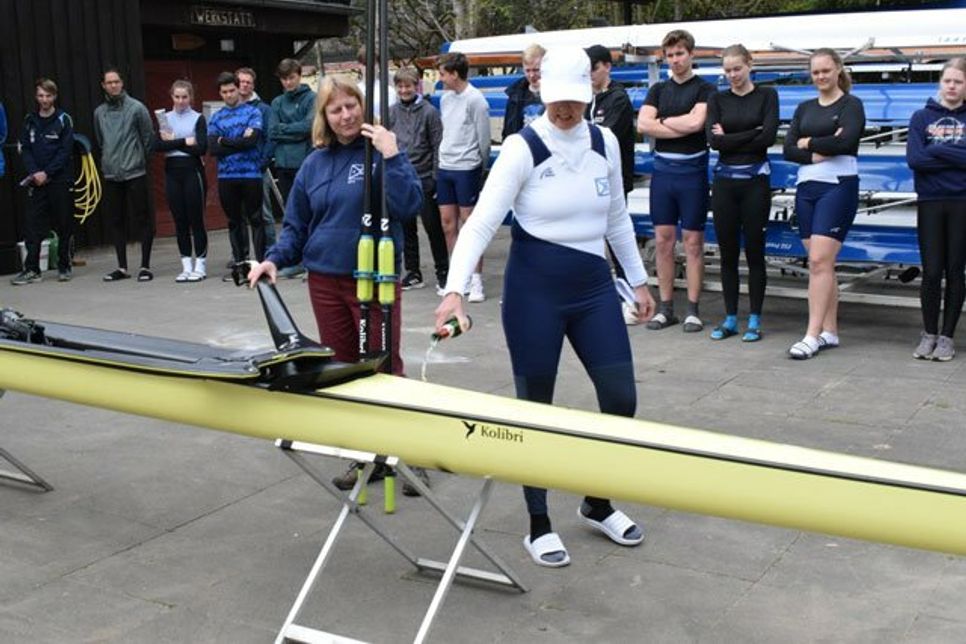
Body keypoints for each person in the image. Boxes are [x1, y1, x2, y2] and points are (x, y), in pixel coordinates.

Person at [434, 46, 656, 568]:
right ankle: (538, 523)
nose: (566, 110)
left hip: (593, 290)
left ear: (589, 94)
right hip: (534, 294)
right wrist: (454, 290)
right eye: (557, 100)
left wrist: (639, 282)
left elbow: (617, 217)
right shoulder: (522, 147)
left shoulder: (604, 141)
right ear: (541, 91)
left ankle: (597, 501)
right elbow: (480, 224)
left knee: (621, 399)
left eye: (575, 100)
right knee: (535, 410)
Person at [246, 76, 422, 490]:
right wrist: (273, 259)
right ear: (324, 117)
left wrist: (393, 155)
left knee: (384, 368)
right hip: (325, 279)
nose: (346, 116)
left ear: (362, 106)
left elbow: (409, 205)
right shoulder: (314, 164)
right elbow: (296, 226)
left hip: (374, 278)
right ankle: (365, 455)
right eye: (336, 109)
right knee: (343, 369)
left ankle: (406, 455)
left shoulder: (381, 151)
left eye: (351, 106)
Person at [783, 48, 866, 359]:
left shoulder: (851, 105)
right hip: (806, 187)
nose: (820, 76)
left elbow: (847, 141)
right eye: (815, 72)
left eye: (826, 71)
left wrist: (809, 143)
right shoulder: (804, 107)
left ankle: (811, 335)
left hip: (838, 186)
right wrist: (821, 149)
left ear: (838, 69)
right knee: (821, 263)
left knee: (819, 261)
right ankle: (830, 331)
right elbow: (788, 149)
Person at [637, 30, 715, 333]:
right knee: (663, 241)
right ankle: (666, 307)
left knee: (693, 243)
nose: (675, 60)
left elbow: (696, 123)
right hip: (664, 174)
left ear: (691, 54)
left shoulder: (705, 88)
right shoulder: (658, 90)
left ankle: (693, 310)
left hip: (692, 174)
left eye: (680, 54)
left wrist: (662, 123)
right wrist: (675, 124)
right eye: (670, 55)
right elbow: (643, 124)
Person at [706, 45, 779, 342]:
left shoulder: (767, 95)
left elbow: (768, 137)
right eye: (727, 70)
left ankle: (755, 318)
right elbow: (714, 142)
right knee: (727, 253)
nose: (733, 75)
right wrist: (752, 133)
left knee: (755, 251)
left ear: (750, 65)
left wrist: (731, 137)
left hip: (755, 182)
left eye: (737, 69)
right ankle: (731, 318)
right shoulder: (717, 98)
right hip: (725, 183)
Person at [906, 57, 966, 362]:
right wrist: (956, 155)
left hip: (962, 202)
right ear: (940, 83)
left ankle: (947, 337)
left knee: (955, 270)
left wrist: (937, 148)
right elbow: (916, 159)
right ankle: (929, 333)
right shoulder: (921, 117)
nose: (952, 86)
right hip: (930, 201)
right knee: (931, 271)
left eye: (958, 81)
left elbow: (927, 154)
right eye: (947, 81)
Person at [436, 51, 491, 302]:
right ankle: (459, 277)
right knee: (448, 224)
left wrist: (479, 167)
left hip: (467, 167)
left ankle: (476, 278)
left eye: (443, 74)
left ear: (455, 74)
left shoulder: (476, 100)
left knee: (470, 225)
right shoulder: (446, 98)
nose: (440, 79)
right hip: (445, 165)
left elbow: (483, 139)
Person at [389, 67, 448, 293]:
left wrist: (435, 177)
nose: (404, 90)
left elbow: (437, 145)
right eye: (400, 86)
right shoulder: (391, 112)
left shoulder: (430, 112)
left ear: (417, 86)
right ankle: (413, 272)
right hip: (402, 176)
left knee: (433, 227)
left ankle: (443, 271)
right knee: (406, 229)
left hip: (424, 177)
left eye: (408, 86)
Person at [11, 78, 74, 285]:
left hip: (59, 180)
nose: (44, 99)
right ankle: (32, 269)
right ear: (36, 97)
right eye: (40, 95)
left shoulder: (64, 119)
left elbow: (65, 151)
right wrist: (35, 172)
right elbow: (25, 149)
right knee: (33, 226)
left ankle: (64, 265)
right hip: (36, 181)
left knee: (63, 223)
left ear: (54, 96)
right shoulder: (30, 120)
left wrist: (47, 172)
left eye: (48, 96)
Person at [94, 67, 155, 282]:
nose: (113, 86)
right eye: (109, 82)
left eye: (116, 81)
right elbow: (101, 141)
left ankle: (145, 266)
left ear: (122, 83)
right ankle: (122, 267)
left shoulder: (137, 108)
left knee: (142, 218)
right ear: (104, 86)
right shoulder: (99, 112)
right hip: (112, 174)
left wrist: (138, 160)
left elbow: (148, 138)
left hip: (135, 172)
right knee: (116, 220)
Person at [208, 72, 265, 279]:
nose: (229, 95)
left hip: (251, 174)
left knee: (256, 219)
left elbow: (251, 141)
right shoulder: (216, 117)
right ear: (220, 93)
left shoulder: (253, 112)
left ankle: (261, 264)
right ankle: (240, 264)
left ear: (238, 89)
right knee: (234, 221)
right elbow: (213, 148)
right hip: (226, 176)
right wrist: (238, 141)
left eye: (232, 90)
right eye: (224, 92)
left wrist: (224, 140)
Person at [153, 79, 208, 282]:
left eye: (185, 97)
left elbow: (201, 148)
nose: (181, 101)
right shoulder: (164, 119)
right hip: (172, 171)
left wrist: (174, 142)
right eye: (177, 97)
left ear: (190, 97)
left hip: (192, 170)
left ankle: (200, 264)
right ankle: (186, 265)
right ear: (172, 97)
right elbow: (157, 146)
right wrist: (185, 141)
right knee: (180, 220)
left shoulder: (198, 118)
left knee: (196, 219)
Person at [269, 58, 316, 279]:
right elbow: (272, 131)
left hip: (304, 164)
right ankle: (295, 260)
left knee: (311, 213)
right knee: (291, 215)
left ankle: (311, 261)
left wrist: (285, 130)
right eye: (284, 79)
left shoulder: (311, 98)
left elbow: (309, 127)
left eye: (291, 78)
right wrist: (294, 132)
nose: (288, 82)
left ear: (299, 75)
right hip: (283, 164)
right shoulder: (277, 102)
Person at [236, 67, 277, 249]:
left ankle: (271, 253)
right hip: (235, 170)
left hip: (258, 169)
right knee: (238, 216)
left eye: (248, 82)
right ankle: (240, 256)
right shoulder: (229, 109)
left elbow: (271, 137)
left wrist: (262, 162)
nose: (244, 85)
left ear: (253, 85)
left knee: (264, 214)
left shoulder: (264, 109)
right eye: (241, 81)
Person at [502, 44, 545, 139]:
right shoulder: (515, 94)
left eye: (536, 70)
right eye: (527, 71)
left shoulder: (555, 93)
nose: (531, 75)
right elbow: (508, 131)